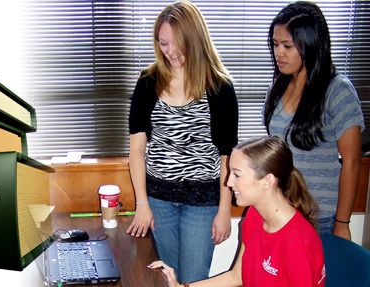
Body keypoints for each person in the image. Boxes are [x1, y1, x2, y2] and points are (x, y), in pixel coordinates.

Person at [126, 1, 238, 283]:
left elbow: (227, 156)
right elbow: (137, 150)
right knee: (164, 277)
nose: (171, 52)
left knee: (192, 279)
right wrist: (142, 203)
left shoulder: (219, 87)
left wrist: (225, 210)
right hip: (158, 199)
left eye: (178, 44)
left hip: (202, 202)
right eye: (163, 43)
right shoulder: (147, 82)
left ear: (195, 39)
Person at [149, 135, 326, 287]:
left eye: (237, 174)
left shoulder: (298, 244)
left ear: (267, 181)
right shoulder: (255, 215)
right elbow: (238, 276)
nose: (228, 182)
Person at [262, 1, 364, 239]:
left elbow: (352, 162)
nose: (278, 53)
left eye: (287, 45)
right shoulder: (275, 88)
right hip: (279, 211)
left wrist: (342, 222)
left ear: (310, 44)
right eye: (275, 44)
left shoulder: (337, 90)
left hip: (318, 217)